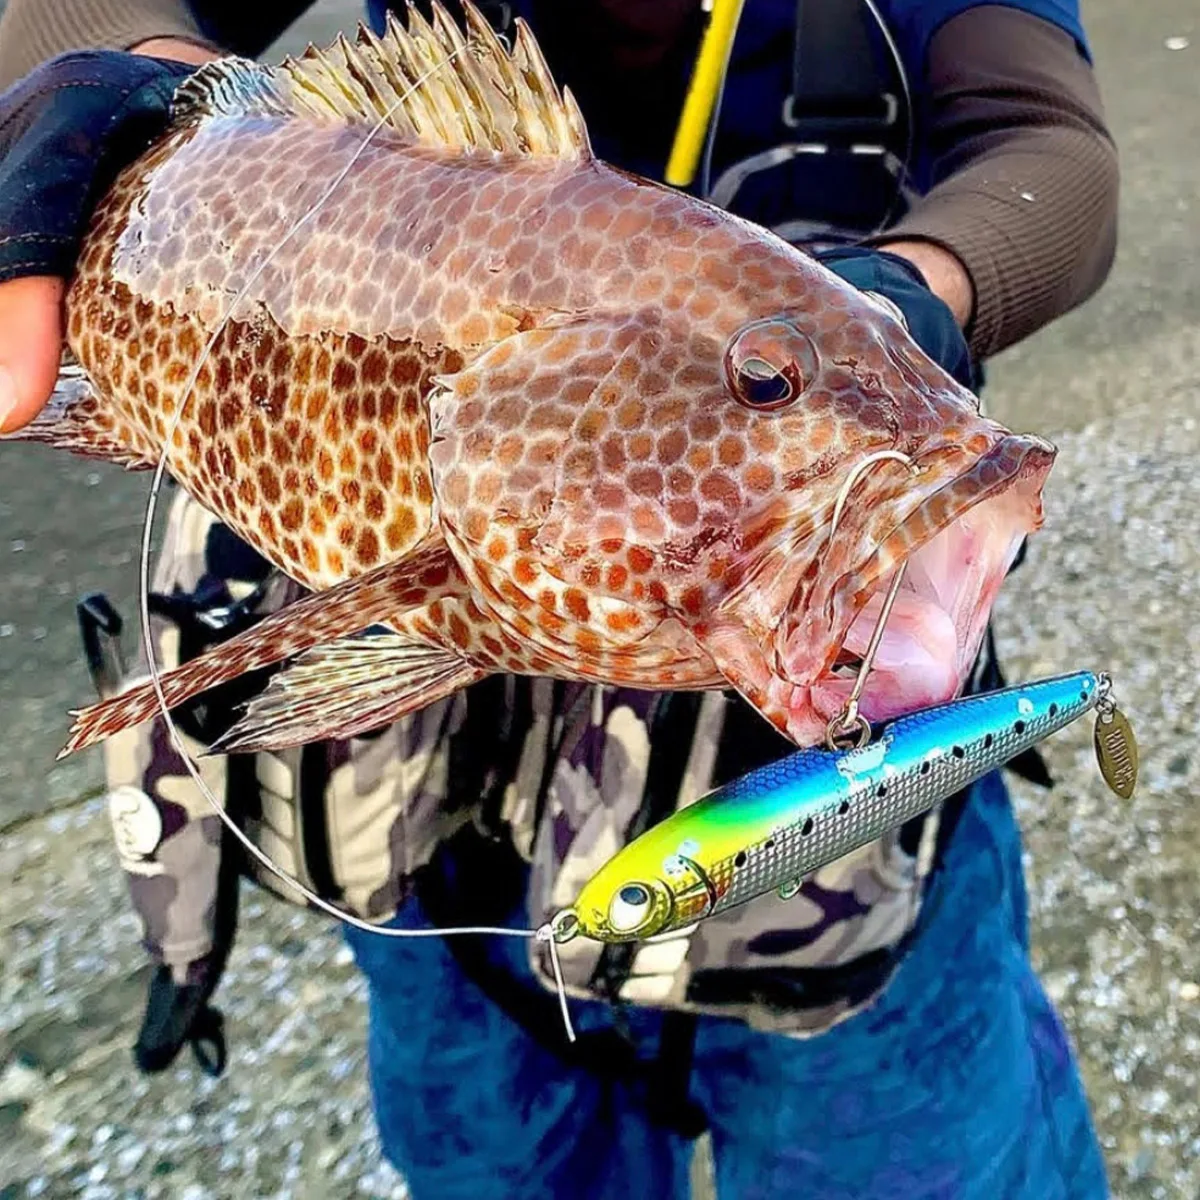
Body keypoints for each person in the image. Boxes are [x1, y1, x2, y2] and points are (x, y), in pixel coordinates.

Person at [0, 1, 1119, 1196]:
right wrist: (152, 95)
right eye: (767, 383)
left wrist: (914, 287)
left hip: (839, 859)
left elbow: (1053, 146)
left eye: (764, 383)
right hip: (442, 841)